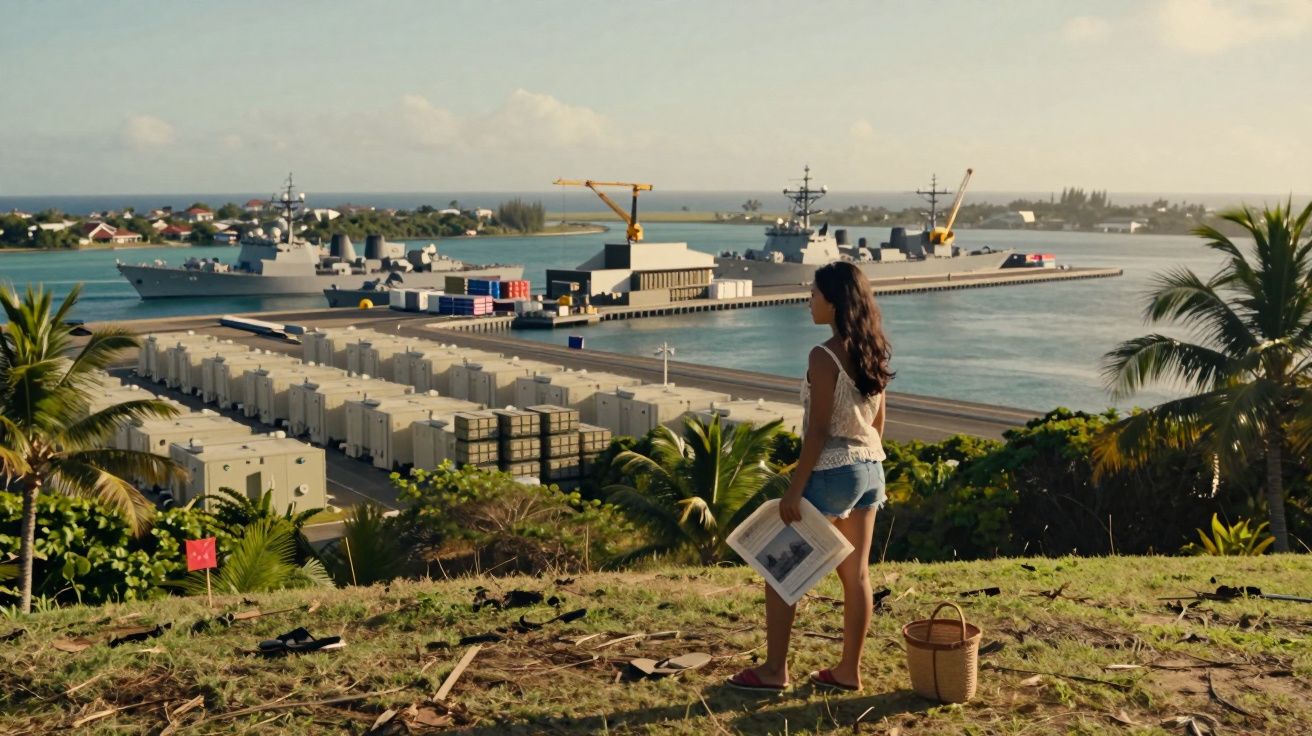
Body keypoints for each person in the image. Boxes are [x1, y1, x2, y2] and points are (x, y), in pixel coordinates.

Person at [728, 261, 892, 693]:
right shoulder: (871, 349)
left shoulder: (823, 355)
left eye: (815, 294)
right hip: (870, 467)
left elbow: (817, 431)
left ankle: (773, 671)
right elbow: (878, 423)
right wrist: (864, 460)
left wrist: (794, 491)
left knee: (781, 569)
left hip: (833, 472)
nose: (809, 302)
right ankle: (848, 672)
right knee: (856, 575)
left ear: (834, 302)